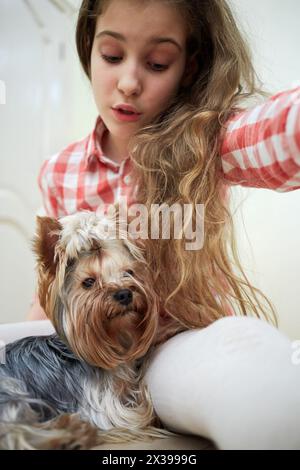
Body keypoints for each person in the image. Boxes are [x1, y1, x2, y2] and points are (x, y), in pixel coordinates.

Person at [22, 0, 300, 448]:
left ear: (188, 68)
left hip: (176, 348)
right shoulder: (59, 172)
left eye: (156, 63)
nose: (129, 83)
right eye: (112, 57)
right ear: (89, 48)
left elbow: (272, 134)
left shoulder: (204, 144)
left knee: (251, 361)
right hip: (94, 360)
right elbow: (50, 293)